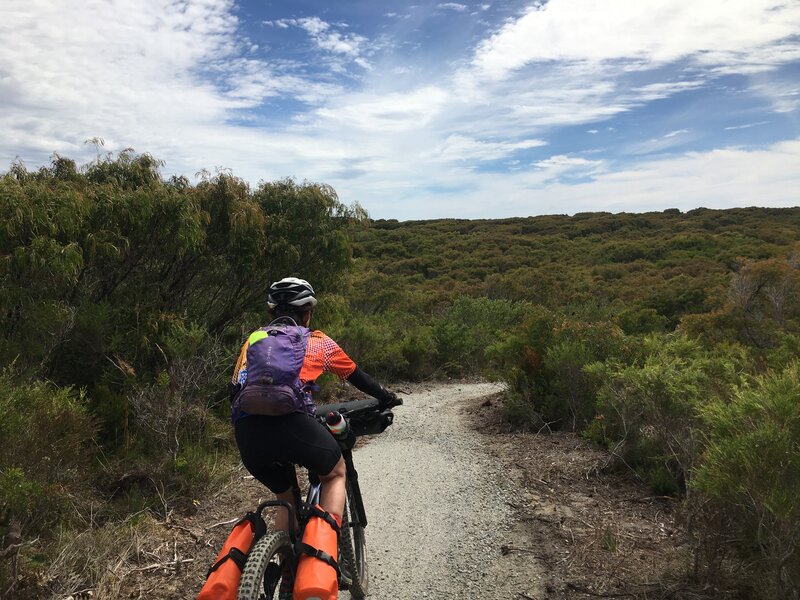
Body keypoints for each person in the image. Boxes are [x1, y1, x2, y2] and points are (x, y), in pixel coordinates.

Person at [230, 277, 400, 535]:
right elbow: (358, 377)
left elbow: (234, 389)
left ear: (272, 312)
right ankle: (323, 554)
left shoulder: (253, 341)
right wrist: (386, 397)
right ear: (307, 313)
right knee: (335, 474)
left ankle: (287, 570)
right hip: (292, 424)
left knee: (285, 498)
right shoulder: (319, 341)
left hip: (247, 432)